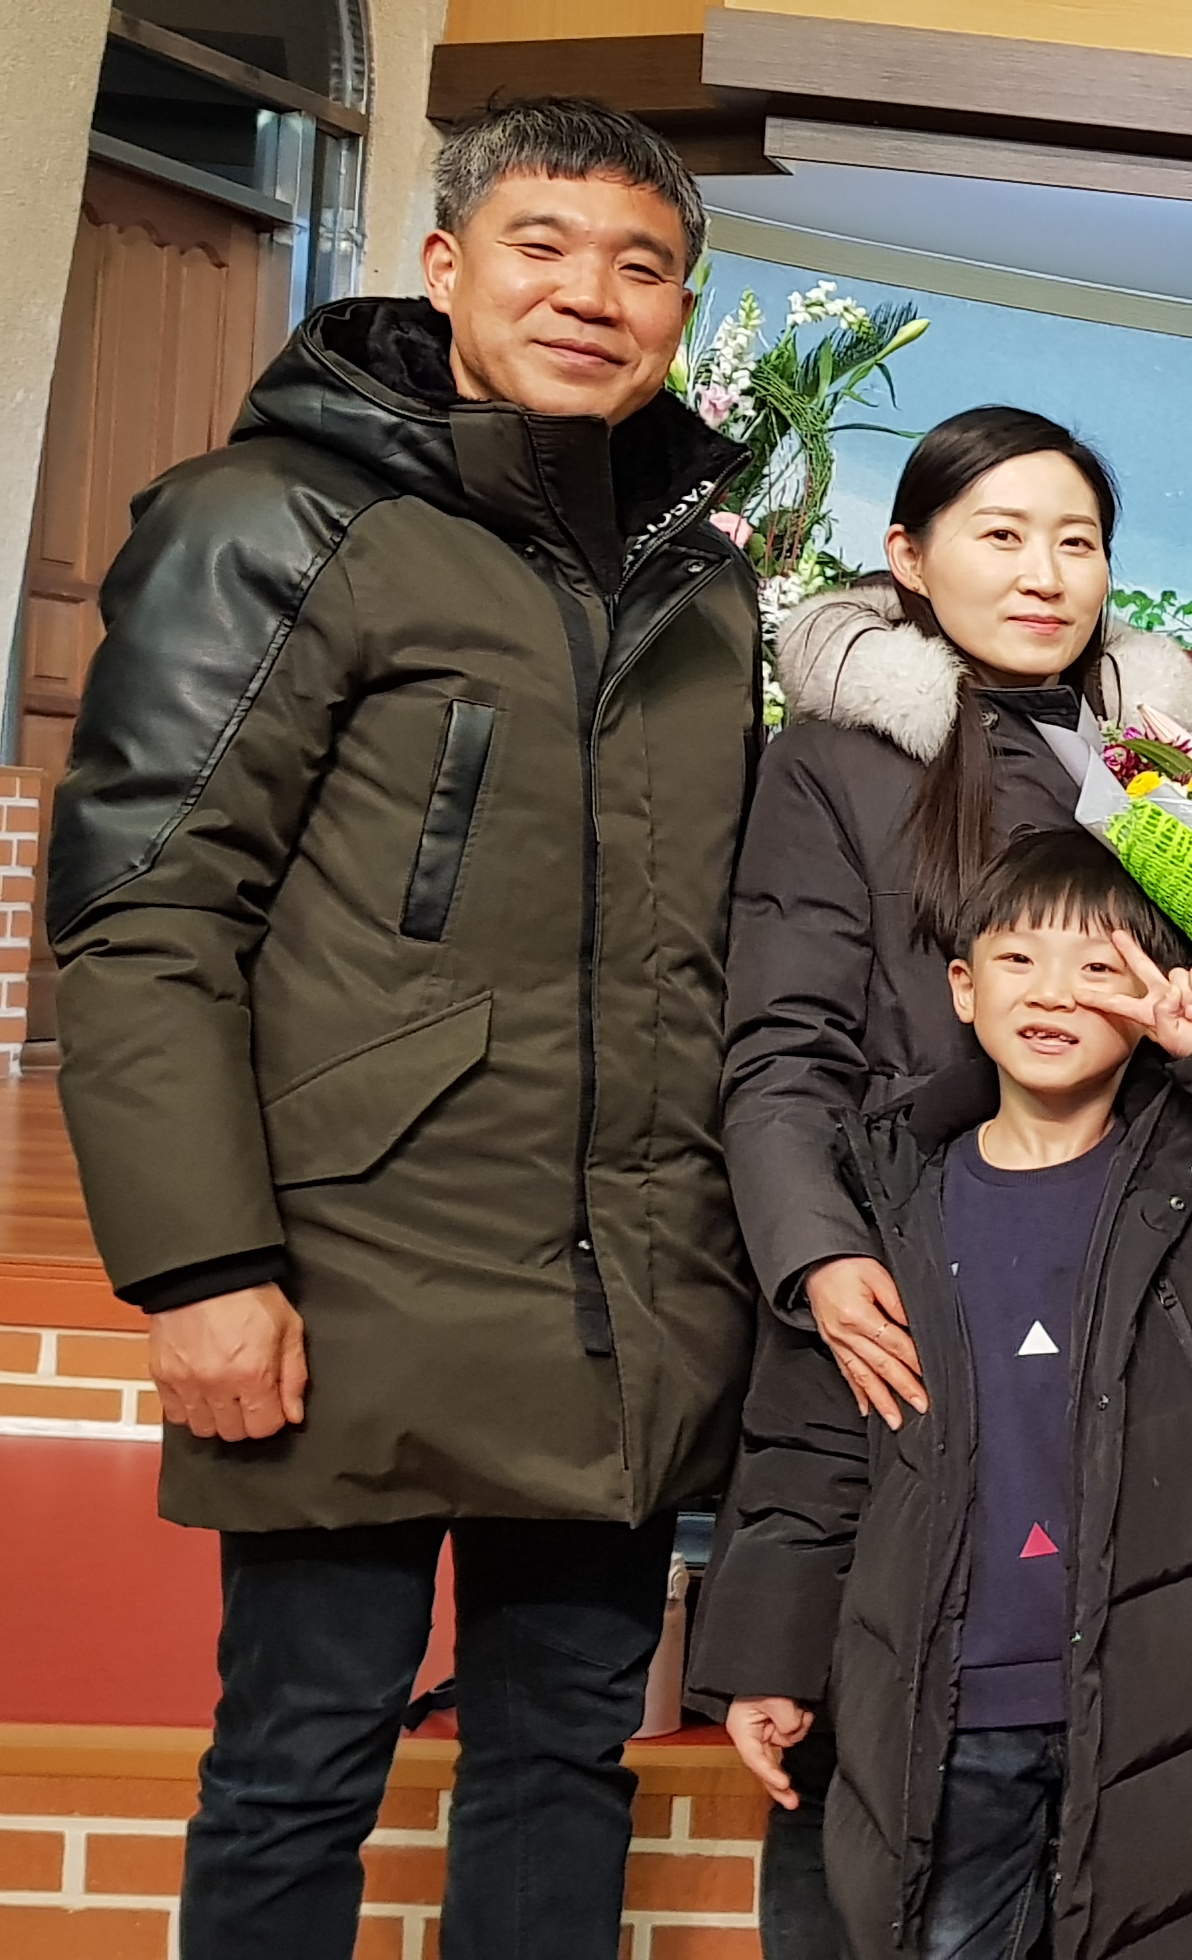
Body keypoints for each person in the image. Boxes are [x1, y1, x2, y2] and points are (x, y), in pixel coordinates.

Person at [45, 98, 754, 1960]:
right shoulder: (271, 518)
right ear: (444, 267)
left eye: (642, 266)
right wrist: (202, 1263)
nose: (591, 295)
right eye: (543, 246)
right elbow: (143, 910)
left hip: (626, 1281)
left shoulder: (700, 584)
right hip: (352, 1264)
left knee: (565, 1758)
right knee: (300, 1762)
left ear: (681, 309)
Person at [697, 831, 1192, 1960]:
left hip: (1165, 1718)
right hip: (950, 1718)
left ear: (1152, 1000)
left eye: (1098, 967)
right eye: (1018, 960)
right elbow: (811, 1446)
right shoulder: (888, 1199)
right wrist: (770, 1658)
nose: (1054, 992)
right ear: (962, 988)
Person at [702, 404, 1192, 1956]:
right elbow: (781, 1048)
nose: (1046, 574)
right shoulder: (836, 765)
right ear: (909, 558)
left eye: (1078, 541)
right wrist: (817, 1254)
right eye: (1001, 534)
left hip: (1109, 1299)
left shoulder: (1167, 775)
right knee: (872, 1772)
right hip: (905, 1291)